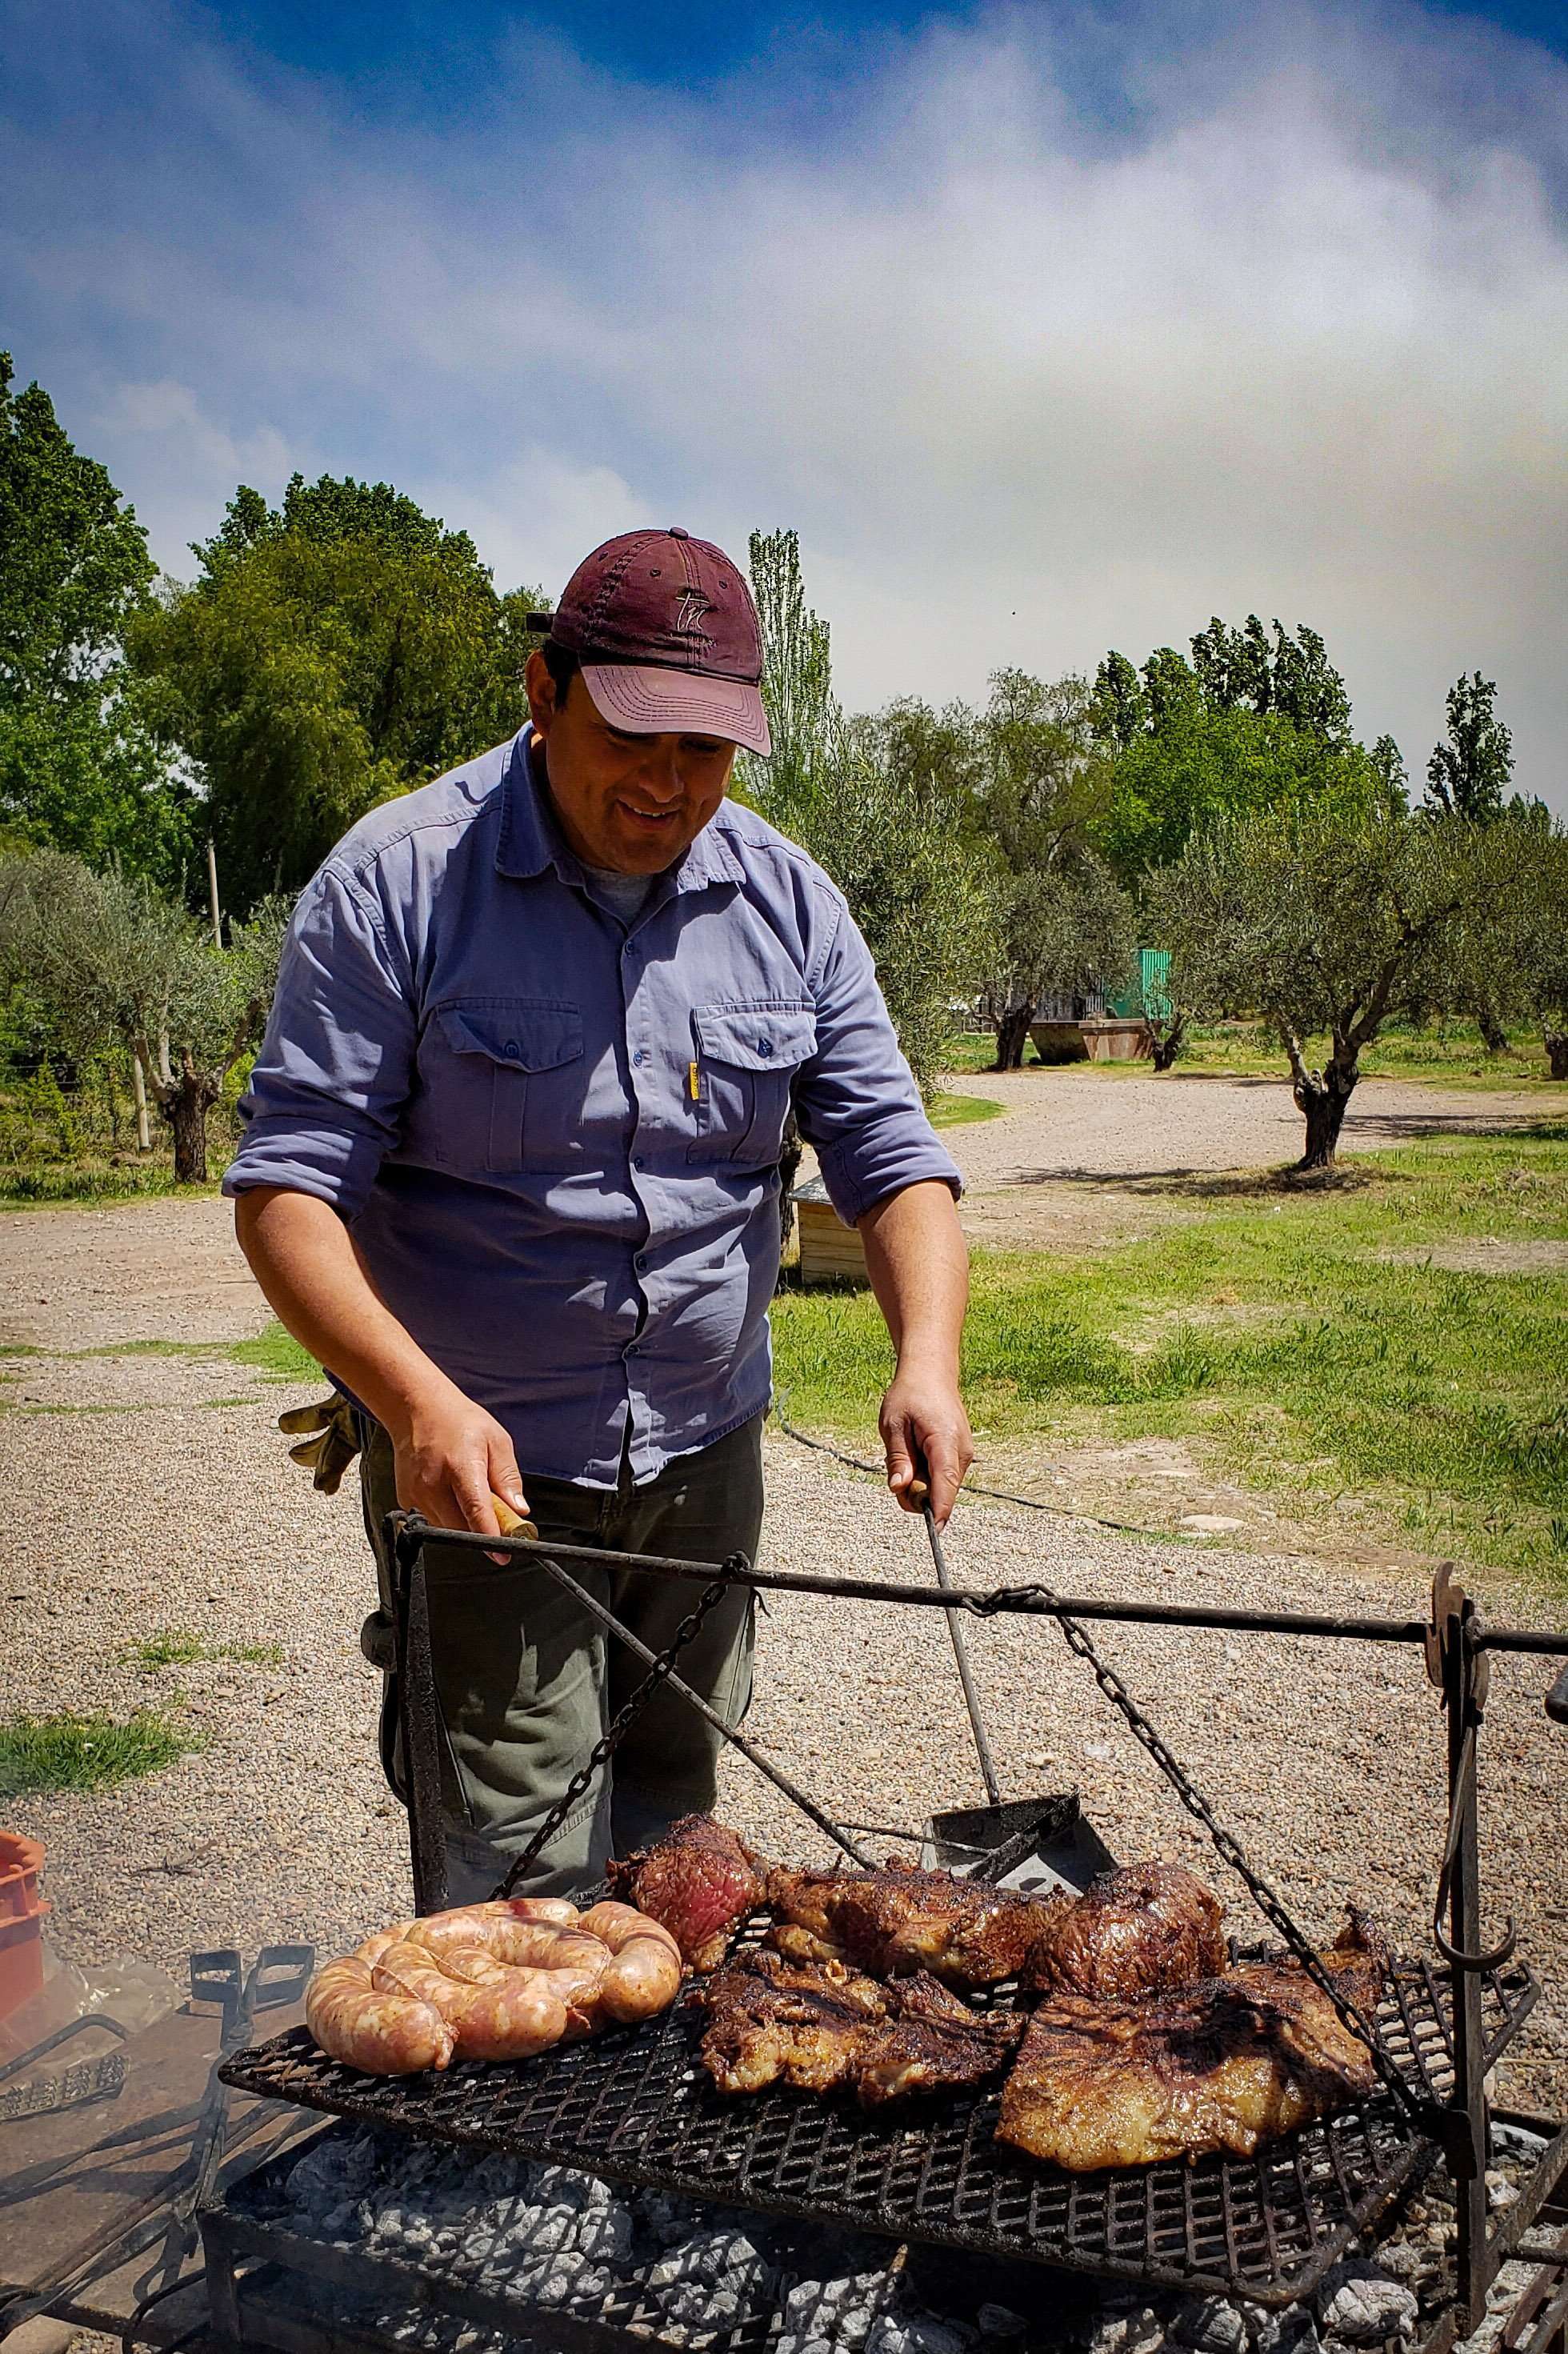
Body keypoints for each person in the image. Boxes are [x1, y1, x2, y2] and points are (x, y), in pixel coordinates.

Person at [225, 525, 973, 1900]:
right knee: (519, 1875)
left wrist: (926, 1357)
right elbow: (286, 1191)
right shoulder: (398, 884)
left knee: (677, 1848)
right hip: (487, 1475)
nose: (668, 783)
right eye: (634, 735)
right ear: (544, 690)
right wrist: (412, 1403)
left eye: (707, 749)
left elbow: (892, 1156)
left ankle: (652, 2046)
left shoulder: (790, 902)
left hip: (704, 1463)